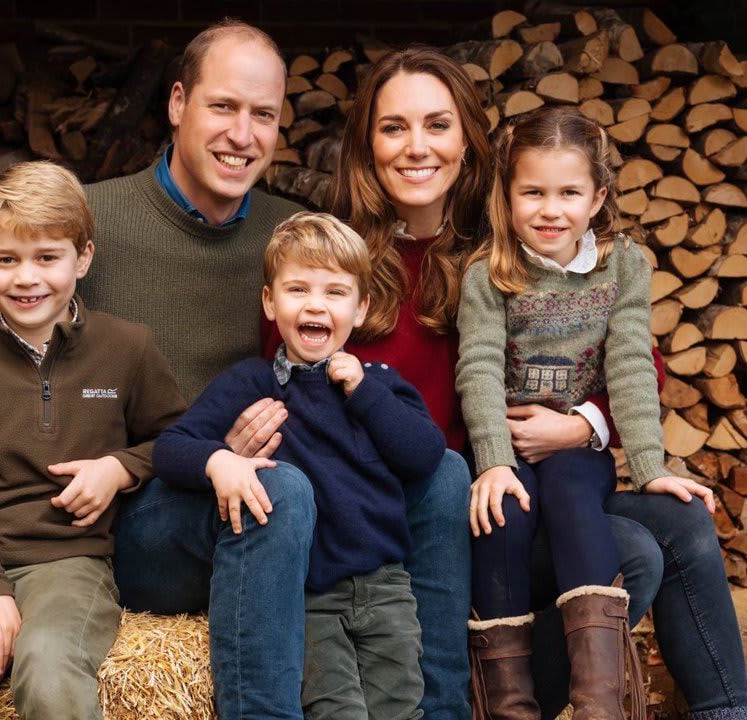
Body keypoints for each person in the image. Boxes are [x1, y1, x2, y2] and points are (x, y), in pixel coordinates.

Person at [0, 21, 469, 720]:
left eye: (263, 115)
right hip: (140, 519)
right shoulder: (91, 223)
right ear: (178, 102)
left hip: (272, 499)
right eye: (223, 107)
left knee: (443, 475)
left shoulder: (291, 234)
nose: (242, 134)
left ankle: (444, 708)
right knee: (283, 493)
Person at [258, 47, 665, 719]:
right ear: (367, 144)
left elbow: (636, 363)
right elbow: (288, 377)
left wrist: (581, 424)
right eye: (394, 128)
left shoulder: (515, 239)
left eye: (437, 125)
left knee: (646, 548)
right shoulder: (331, 261)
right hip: (390, 519)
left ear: (468, 141)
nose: (417, 147)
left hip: (502, 503)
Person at [455, 106, 721, 719]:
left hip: (579, 451)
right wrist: (493, 461)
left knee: (576, 495)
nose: (551, 210)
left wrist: (649, 466)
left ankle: (598, 702)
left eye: (569, 192)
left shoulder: (623, 266)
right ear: (507, 194)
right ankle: (507, 705)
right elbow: (478, 367)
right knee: (503, 515)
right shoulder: (489, 273)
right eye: (533, 192)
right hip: (507, 449)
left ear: (598, 197)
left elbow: (629, 363)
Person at [0, 161, 186, 719]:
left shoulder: (127, 347)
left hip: (72, 564)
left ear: (83, 258)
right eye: (6, 260)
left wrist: (121, 467)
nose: (26, 278)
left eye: (46, 257)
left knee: (50, 666)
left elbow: (176, 437)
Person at [156, 212, 443, 719]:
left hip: (387, 589)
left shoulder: (380, 384)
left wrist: (363, 391)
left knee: (401, 708)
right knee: (337, 711)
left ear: (361, 309)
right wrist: (219, 460)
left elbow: (424, 457)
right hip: (311, 595)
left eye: (335, 292)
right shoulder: (251, 384)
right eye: (298, 290)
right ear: (270, 303)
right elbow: (172, 447)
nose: (316, 304)